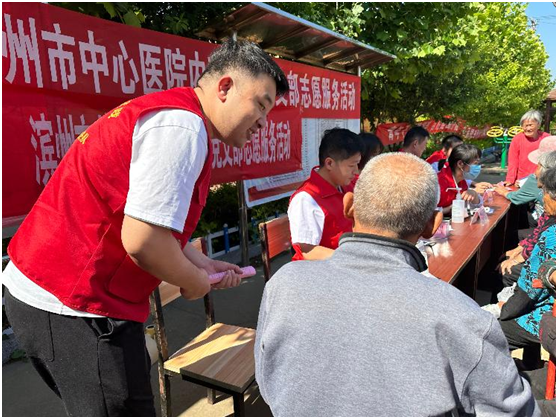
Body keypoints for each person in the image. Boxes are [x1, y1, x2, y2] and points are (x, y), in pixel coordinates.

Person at [3, 39, 289, 416]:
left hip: (60, 295)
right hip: (74, 303)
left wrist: (203, 265)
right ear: (225, 87)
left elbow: (151, 223)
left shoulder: (175, 117)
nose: (264, 122)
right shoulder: (183, 127)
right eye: (261, 105)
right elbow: (144, 240)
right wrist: (193, 281)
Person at [255, 153, 539, 416]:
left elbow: (268, 380)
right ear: (431, 225)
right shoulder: (464, 317)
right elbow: (515, 411)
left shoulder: (283, 284)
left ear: (349, 206)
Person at [498, 167, 556, 370]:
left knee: (490, 331)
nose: (542, 197)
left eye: (544, 192)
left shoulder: (552, 235)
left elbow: (529, 291)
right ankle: (531, 362)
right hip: (548, 303)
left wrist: (503, 310)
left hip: (548, 314)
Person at [287, 128, 362, 261]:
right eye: (351, 166)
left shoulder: (346, 184)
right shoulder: (306, 199)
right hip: (326, 269)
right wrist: (352, 260)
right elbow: (307, 250)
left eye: (357, 164)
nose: (356, 171)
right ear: (329, 163)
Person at [496, 137, 556, 229]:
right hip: (547, 222)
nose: (535, 171)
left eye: (538, 166)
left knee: (515, 230)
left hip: (546, 225)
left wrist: (504, 192)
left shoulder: (538, 179)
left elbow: (517, 198)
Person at [505, 109, 550, 186]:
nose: (528, 129)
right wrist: (510, 180)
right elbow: (513, 162)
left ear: (538, 125)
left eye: (530, 125)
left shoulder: (546, 138)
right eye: (525, 125)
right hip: (522, 180)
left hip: (542, 180)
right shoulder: (517, 139)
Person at [436, 143, 482, 215]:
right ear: (460, 164)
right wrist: (450, 208)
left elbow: (476, 207)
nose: (478, 167)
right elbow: (428, 212)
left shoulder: (462, 181)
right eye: (475, 163)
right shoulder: (438, 184)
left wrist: (474, 194)